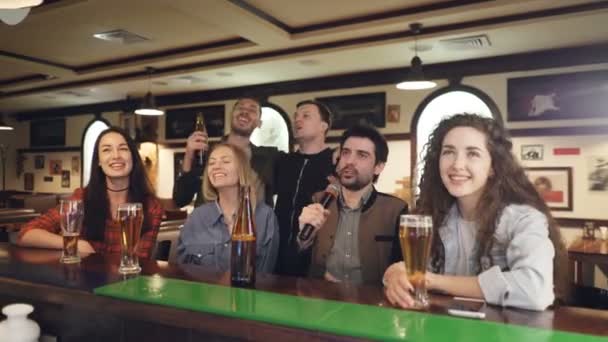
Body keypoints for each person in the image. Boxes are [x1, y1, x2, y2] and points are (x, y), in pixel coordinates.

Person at [383, 113, 569, 311]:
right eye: (448, 152)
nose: (457, 164)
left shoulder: (523, 219)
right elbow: (413, 277)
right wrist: (394, 274)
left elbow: (535, 291)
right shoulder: (433, 216)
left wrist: (433, 281)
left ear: (493, 167)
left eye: (472, 153)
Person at [17, 127, 163, 259]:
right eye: (107, 150)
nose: (116, 155)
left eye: (123, 149)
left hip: (127, 284)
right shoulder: (81, 198)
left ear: (133, 157)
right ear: (98, 161)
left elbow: (139, 260)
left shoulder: (151, 207)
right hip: (82, 283)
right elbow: (26, 234)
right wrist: (74, 244)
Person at [297, 124, 407, 285]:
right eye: (345, 153)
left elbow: (403, 270)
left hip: (372, 304)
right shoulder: (317, 201)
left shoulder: (396, 210)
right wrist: (302, 240)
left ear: (378, 167)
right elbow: (294, 265)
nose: (349, 161)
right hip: (321, 300)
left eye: (362, 155)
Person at [176, 143, 279, 273]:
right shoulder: (196, 218)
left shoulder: (265, 217)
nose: (216, 167)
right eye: (212, 163)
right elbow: (182, 271)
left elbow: (265, 274)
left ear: (241, 169)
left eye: (225, 161)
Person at [173, 97, 280, 207]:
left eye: (252, 110)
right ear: (231, 115)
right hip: (209, 223)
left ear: (259, 123)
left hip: (252, 223)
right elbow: (180, 199)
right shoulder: (208, 153)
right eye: (240, 107)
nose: (245, 112)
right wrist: (189, 153)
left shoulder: (268, 157)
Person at [274, 100, 335, 277]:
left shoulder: (335, 162)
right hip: (279, 256)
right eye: (296, 117)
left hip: (317, 257)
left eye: (306, 116)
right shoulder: (283, 162)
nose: (297, 120)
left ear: (323, 126)